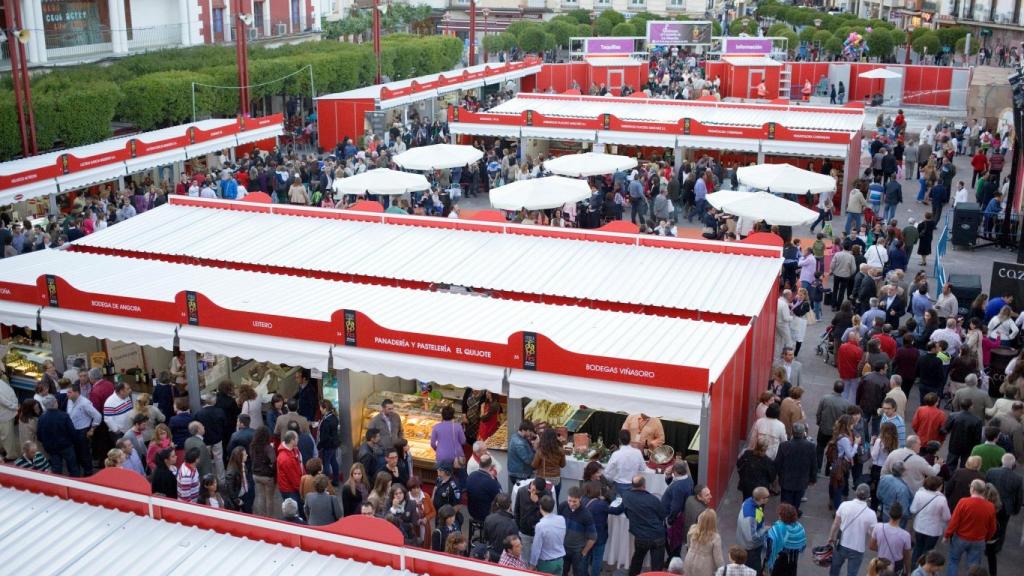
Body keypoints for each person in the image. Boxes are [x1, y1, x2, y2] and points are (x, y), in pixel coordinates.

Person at [609, 474, 667, 575]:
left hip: (641, 537)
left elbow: (618, 510)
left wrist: (604, 507)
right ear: (644, 485)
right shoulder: (653, 499)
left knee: (637, 560)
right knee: (657, 567)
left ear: (632, 485)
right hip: (657, 536)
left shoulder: (626, 496)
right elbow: (662, 515)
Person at [944, 479, 997, 575]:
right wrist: (986, 538)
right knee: (974, 566)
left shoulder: (963, 502)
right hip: (978, 540)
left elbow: (954, 521)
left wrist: (947, 535)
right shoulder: (990, 506)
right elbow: (992, 527)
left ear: (972, 489)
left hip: (960, 538)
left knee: (953, 561)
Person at [828, 484, 876, 576]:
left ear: (856, 492)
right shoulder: (871, 514)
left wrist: (831, 537)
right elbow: (872, 533)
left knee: (834, 569)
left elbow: (836, 524)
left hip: (841, 543)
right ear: (868, 496)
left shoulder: (844, 505)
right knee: (852, 573)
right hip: (857, 548)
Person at [985, 453, 1022, 575]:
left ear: (1002, 461)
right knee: (1002, 527)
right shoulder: (1017, 478)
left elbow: (986, 487)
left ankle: (985, 542)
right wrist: (1016, 509)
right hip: (1006, 508)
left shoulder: (991, 471)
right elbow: (1019, 496)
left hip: (990, 504)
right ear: (1013, 465)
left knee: (987, 524)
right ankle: (997, 546)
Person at [775, 423, 816, 513]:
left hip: (786, 479)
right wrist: (813, 479)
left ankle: (784, 518)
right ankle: (793, 515)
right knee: (796, 501)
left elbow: (778, 463)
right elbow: (813, 464)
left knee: (785, 502)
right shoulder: (810, 446)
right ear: (803, 433)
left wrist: (777, 475)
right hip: (802, 480)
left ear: (792, 433)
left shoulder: (784, 445)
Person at [910, 475, 951, 565]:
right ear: (938, 487)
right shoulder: (941, 499)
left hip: (919, 527)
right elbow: (947, 517)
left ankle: (913, 569)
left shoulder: (919, 494)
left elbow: (913, 509)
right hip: (933, 530)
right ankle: (924, 570)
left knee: (918, 548)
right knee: (928, 552)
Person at [557, 486, 595, 576]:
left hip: (577, 552)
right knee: (562, 572)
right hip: (563, 549)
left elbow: (593, 537)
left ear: (580, 499)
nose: (571, 504)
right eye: (569, 500)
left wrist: (584, 552)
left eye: (574, 501)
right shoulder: (563, 506)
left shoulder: (586, 514)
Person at [36, 396, 79, 476]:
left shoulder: (41, 418)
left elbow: (39, 435)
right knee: (72, 466)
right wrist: (73, 441)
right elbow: (72, 431)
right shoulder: (64, 416)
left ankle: (58, 482)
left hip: (51, 447)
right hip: (66, 445)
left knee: (56, 467)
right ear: (55, 403)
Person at [736, 486, 770, 573]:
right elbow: (752, 538)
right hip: (750, 549)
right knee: (754, 570)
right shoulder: (750, 516)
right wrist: (765, 530)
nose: (769, 499)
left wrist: (762, 527)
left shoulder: (748, 502)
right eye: (767, 497)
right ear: (762, 499)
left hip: (744, 543)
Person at [943, 398, 984, 469]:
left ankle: (948, 478)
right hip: (968, 447)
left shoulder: (953, 415)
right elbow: (977, 437)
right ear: (971, 406)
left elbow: (945, 429)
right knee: (965, 466)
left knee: (950, 466)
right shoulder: (977, 420)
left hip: (954, 444)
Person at [515, 477, 549, 564]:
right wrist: (519, 526)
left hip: (539, 530)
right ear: (532, 484)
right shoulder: (521, 491)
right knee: (524, 558)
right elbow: (517, 510)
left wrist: (537, 502)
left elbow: (547, 512)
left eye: (539, 492)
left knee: (538, 558)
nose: (536, 492)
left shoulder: (547, 493)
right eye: (535, 490)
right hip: (525, 530)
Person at [604, 429, 646, 495]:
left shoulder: (616, 454)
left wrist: (612, 481)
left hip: (619, 487)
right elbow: (643, 468)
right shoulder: (637, 452)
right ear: (630, 439)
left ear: (619, 440)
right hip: (634, 486)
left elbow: (607, 473)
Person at [684, 508, 725, 576]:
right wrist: (723, 570)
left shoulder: (692, 529)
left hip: (689, 559)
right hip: (704, 565)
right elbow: (718, 558)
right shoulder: (715, 537)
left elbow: (688, 545)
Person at [466, 454, 502, 525]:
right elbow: (500, 497)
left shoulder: (470, 476)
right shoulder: (491, 481)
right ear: (491, 466)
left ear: (479, 463)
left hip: (472, 511)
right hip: (487, 514)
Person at [484, 492, 519, 562]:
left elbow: (486, 537)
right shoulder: (512, 524)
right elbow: (515, 544)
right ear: (510, 505)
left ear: (497, 504)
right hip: (507, 557)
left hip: (492, 553)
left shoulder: (488, 518)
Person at [277, 430, 303, 513]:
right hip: (290, 490)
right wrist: (302, 489)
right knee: (295, 511)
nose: (298, 440)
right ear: (292, 440)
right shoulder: (286, 459)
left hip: (292, 487)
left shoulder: (293, 450)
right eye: (297, 438)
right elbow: (293, 478)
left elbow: (300, 466)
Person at [317, 400, 340, 486]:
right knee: (333, 461)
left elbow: (324, 437)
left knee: (326, 463)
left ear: (325, 408)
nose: (320, 409)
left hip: (328, 445)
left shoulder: (326, 421)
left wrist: (319, 446)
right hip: (334, 443)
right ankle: (336, 480)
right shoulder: (334, 417)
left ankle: (326, 482)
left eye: (320, 407)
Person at [508, 420, 536, 486]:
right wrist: (535, 448)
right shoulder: (520, 443)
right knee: (522, 494)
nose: (530, 433)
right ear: (523, 430)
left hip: (518, 473)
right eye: (530, 431)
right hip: (520, 475)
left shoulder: (515, 436)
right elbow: (528, 460)